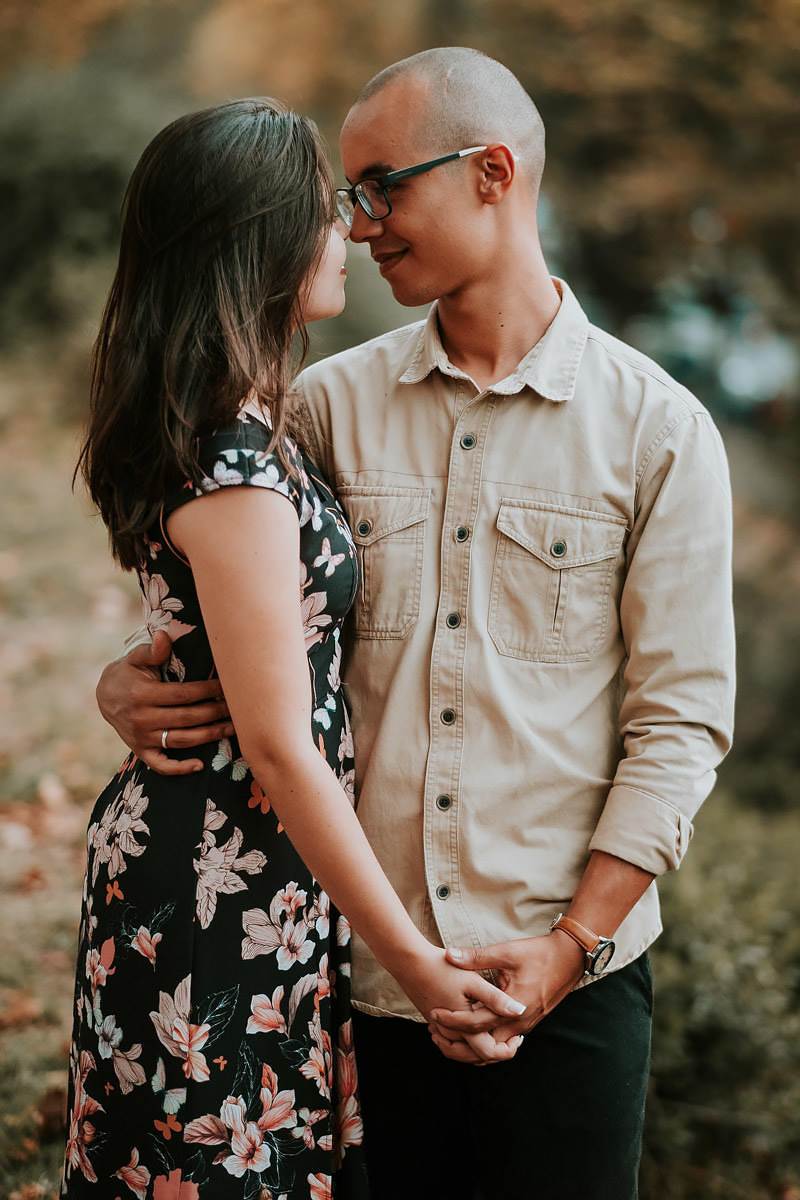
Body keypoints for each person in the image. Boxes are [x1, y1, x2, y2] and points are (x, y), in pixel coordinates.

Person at [95, 51, 736, 1200]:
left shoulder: (662, 433)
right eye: (346, 196)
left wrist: (565, 947)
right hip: (350, 990)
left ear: (491, 172)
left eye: (381, 185)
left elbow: (680, 726)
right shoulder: (322, 410)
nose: (358, 222)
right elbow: (229, 596)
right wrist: (126, 680)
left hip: (573, 988)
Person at [63, 95, 527, 1200]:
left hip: (256, 875)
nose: (350, 232)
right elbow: (277, 744)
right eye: (327, 208)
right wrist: (416, 967)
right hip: (216, 885)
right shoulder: (232, 461)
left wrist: (127, 676)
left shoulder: (247, 423)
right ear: (257, 238)